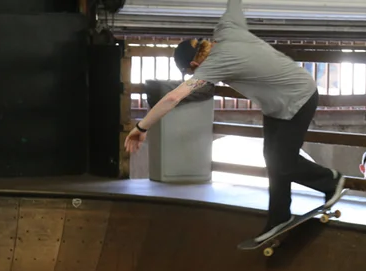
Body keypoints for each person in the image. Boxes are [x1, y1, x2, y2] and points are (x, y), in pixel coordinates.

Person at [123, 0, 345, 243]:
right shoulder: (227, 28)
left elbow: (174, 96)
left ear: (195, 65)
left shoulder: (212, 66)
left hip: (299, 98)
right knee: (273, 158)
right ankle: (279, 216)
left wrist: (141, 127)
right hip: (276, 105)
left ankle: (330, 181)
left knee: (283, 160)